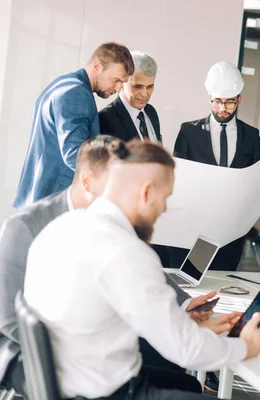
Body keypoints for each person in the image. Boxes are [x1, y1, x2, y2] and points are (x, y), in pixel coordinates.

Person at [23, 140, 260, 399]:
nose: (163, 209)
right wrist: (246, 346)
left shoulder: (62, 227)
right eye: (165, 199)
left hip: (74, 380)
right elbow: (187, 352)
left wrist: (183, 321)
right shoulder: (125, 250)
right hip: (109, 392)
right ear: (146, 192)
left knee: (189, 386)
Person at [0, 136, 215, 395]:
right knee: (162, 352)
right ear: (88, 182)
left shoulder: (111, 221)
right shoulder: (24, 227)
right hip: (32, 360)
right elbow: (9, 321)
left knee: (183, 376)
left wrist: (181, 305)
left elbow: (140, 269)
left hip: (93, 342)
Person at [173, 61, 260, 272]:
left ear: (239, 99)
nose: (223, 109)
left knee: (223, 282)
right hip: (197, 227)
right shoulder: (189, 132)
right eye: (217, 102)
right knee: (193, 280)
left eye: (229, 103)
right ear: (209, 98)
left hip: (233, 231)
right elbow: (178, 179)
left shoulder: (251, 136)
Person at [13, 42, 134, 210]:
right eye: (116, 80)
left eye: (123, 82)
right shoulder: (76, 93)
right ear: (98, 66)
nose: (120, 88)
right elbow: (76, 155)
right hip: (54, 202)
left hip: (41, 198)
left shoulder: (64, 83)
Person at [99, 50, 162, 142]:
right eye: (137, 86)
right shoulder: (105, 119)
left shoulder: (151, 112)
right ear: (122, 82)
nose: (144, 94)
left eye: (149, 87)